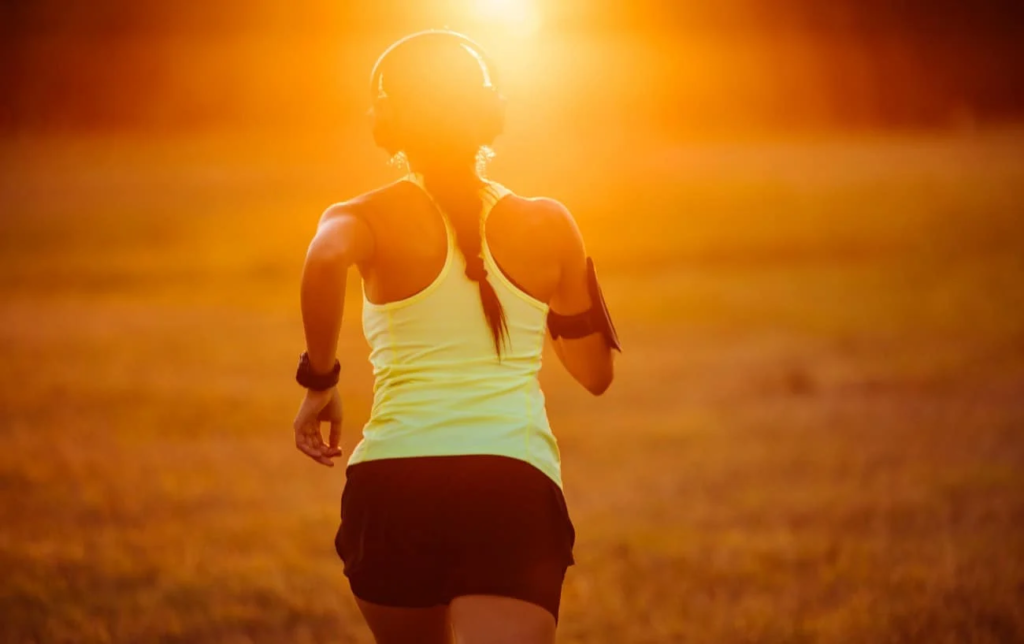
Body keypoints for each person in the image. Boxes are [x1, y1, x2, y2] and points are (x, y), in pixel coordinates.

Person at [291, 29, 619, 644]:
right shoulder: (549, 221)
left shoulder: (360, 214)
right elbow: (596, 375)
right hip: (509, 487)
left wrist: (322, 379)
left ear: (385, 122)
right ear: (488, 113)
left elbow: (325, 257)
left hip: (391, 491)